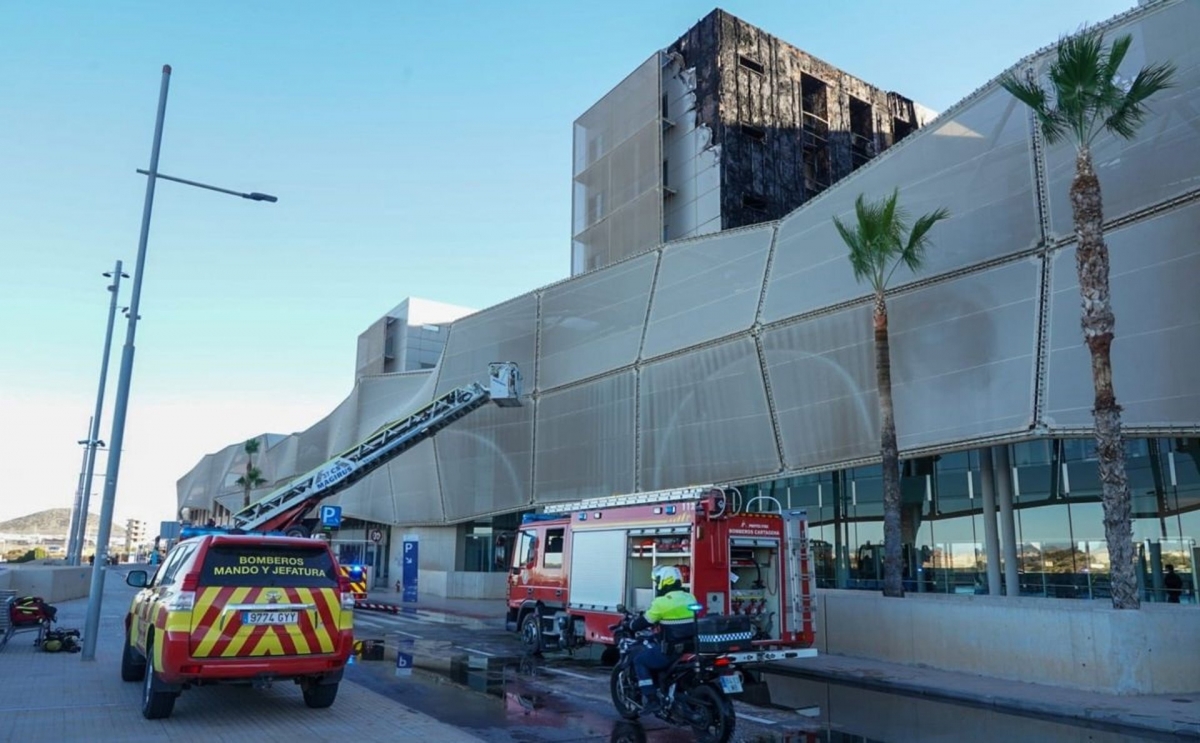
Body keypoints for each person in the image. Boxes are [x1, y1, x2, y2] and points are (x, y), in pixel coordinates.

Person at [630, 565, 700, 713]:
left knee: (640, 660)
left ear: (664, 581)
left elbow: (646, 621)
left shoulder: (661, 602)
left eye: (658, 581)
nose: (657, 584)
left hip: (671, 651)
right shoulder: (690, 597)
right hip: (692, 648)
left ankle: (651, 699)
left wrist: (631, 625)